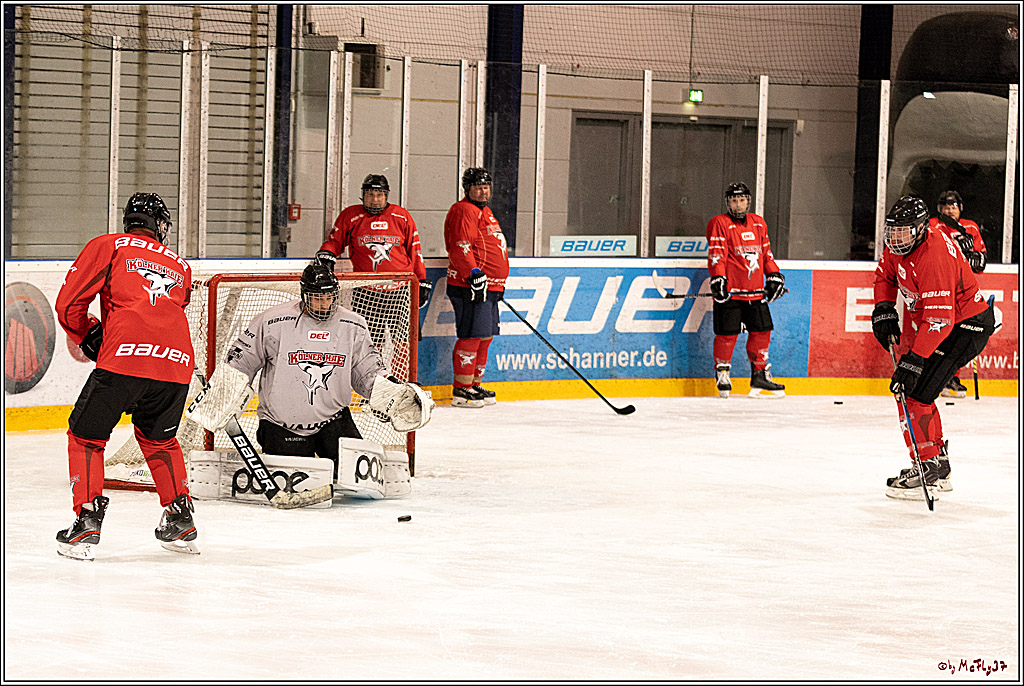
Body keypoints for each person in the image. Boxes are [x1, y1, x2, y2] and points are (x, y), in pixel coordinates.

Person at [54, 192, 199, 560]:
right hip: (177, 364)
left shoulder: (109, 245)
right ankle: (180, 516)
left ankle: (86, 521)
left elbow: (69, 304)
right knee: (160, 441)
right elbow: (169, 311)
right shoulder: (180, 265)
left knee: (86, 436)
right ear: (159, 224)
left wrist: (89, 336)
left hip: (124, 360)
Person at [186, 263, 432, 476]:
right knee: (296, 483)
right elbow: (241, 362)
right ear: (304, 295)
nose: (324, 304)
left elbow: (367, 372)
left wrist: (392, 390)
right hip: (281, 426)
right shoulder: (272, 321)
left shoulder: (352, 324)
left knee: (359, 485)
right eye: (317, 297)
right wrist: (224, 392)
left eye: (329, 297)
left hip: (333, 421)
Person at [870, 196, 996, 499]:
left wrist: (913, 361)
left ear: (921, 229)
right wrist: (885, 307)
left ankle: (927, 467)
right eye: (893, 231)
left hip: (965, 326)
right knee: (916, 393)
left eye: (903, 232)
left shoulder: (934, 254)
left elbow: (939, 319)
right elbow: (884, 275)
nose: (895, 239)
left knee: (914, 392)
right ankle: (936, 464)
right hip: (947, 325)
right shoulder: (903, 246)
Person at [313, 173, 431, 364]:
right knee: (369, 344)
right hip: (367, 291)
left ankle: (403, 387)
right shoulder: (351, 216)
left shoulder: (401, 216)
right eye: (370, 195)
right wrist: (327, 254)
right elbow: (334, 242)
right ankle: (372, 386)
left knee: (404, 343)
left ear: (386, 195)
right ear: (363, 195)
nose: (375, 200)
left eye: (379, 195)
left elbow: (415, 251)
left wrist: (422, 280)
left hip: (400, 292)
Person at [705, 182, 787, 398]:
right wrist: (718, 278)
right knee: (727, 334)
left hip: (756, 292)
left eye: (741, 200)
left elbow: (766, 254)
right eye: (733, 200)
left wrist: (774, 275)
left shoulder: (759, 223)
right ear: (728, 202)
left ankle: (760, 374)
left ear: (748, 200)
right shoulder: (719, 223)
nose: (738, 204)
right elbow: (717, 254)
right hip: (731, 292)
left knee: (762, 331)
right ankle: (723, 372)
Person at [443, 167, 510, 408]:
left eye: (486, 187)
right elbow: (460, 245)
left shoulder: (486, 212)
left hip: (489, 287)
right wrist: (472, 273)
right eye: (478, 187)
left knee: (485, 336)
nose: (483, 191)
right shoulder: (464, 210)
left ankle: (474, 383)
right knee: (471, 335)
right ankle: (462, 390)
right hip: (471, 286)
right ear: (467, 189)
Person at [929, 190, 988, 398]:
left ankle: (950, 377)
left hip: (962, 291)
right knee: (937, 332)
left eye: (953, 206)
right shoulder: (932, 226)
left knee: (958, 336)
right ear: (939, 209)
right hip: (937, 288)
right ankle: (931, 376)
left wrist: (969, 255)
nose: (949, 210)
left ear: (960, 208)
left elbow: (980, 263)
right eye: (945, 206)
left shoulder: (970, 227)